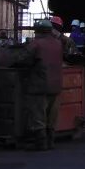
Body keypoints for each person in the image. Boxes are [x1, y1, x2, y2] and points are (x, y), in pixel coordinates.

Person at [24, 19, 63, 150]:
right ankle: (51, 141)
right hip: (56, 86)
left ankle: (40, 143)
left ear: (37, 31)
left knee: (38, 115)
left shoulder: (36, 44)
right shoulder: (58, 44)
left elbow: (24, 60)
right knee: (51, 116)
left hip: (39, 86)